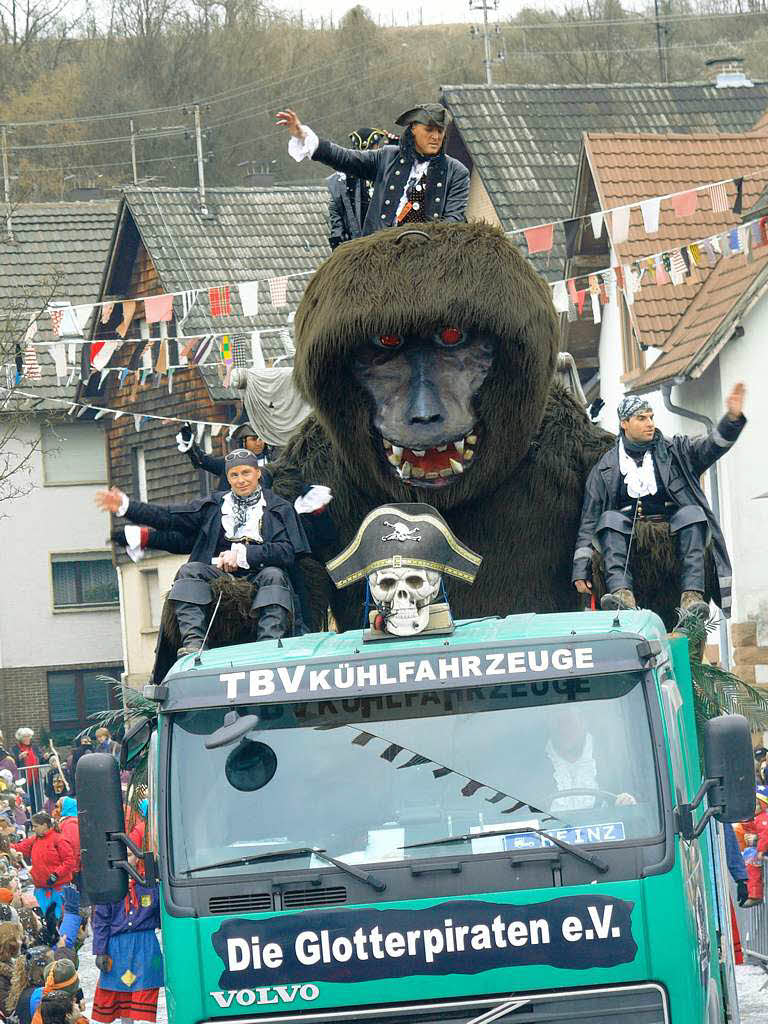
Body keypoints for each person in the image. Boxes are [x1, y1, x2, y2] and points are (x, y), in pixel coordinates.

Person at [95, 449, 310, 657]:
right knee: (189, 571)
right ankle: (194, 644)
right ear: (228, 477)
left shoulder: (280, 508)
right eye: (234, 475)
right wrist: (127, 506)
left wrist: (244, 555)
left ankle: (268, 645)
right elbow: (169, 516)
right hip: (218, 574)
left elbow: (288, 551)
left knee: (275, 575)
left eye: (246, 473)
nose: (241, 480)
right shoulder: (213, 506)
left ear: (258, 473)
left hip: (261, 575)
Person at [572, 384, 746, 614]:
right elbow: (588, 521)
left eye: (651, 417)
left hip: (672, 529)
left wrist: (731, 420)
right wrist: (580, 569)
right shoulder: (604, 468)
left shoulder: (678, 450)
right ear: (624, 423)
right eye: (641, 418)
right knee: (608, 519)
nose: (650, 423)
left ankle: (692, 596)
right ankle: (621, 594)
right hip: (627, 535)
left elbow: (710, 447)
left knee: (692, 513)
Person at [277, 103, 469, 232]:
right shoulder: (386, 157)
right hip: (377, 257)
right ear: (413, 129)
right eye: (429, 130)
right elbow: (344, 158)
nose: (436, 137)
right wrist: (303, 135)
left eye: (440, 131)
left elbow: (452, 225)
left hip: (426, 262)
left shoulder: (456, 173)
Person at [91, 860, 163, 1024]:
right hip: (117, 949)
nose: (125, 858)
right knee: (121, 993)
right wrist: (100, 951)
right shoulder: (108, 885)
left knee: (145, 991)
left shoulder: (150, 883)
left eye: (130, 853)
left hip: (145, 946)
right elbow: (101, 920)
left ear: (138, 858)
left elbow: (161, 917)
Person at [544, 706, 636, 813]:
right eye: (558, 724)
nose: (564, 730)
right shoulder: (536, 767)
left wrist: (627, 801)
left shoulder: (613, 757)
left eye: (569, 722)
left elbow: (639, 799)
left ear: (583, 723)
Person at [326, 128, 395, 249]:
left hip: (386, 242)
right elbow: (336, 213)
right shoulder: (341, 180)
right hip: (355, 244)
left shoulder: (390, 172)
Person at [11, 814, 75, 929]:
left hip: (58, 888)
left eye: (35, 826)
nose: (33, 829)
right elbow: (20, 847)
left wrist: (56, 874)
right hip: (41, 887)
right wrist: (6, 847)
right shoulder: (35, 839)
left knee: (60, 919)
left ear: (45, 825)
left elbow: (69, 861)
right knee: (44, 919)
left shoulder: (59, 839)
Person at [175, 420, 274, 491]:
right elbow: (203, 461)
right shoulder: (230, 463)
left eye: (261, 439)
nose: (258, 443)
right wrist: (190, 444)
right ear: (243, 442)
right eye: (253, 439)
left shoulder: (272, 464)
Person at [12, 731, 47, 815]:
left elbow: (40, 759)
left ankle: (38, 816)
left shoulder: (34, 747)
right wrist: (19, 757)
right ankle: (28, 817)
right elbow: (12, 762)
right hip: (23, 778)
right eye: (25, 737)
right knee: (26, 799)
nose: (27, 738)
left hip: (35, 777)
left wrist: (45, 757)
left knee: (37, 798)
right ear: (20, 738)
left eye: (28, 736)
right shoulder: (15, 748)